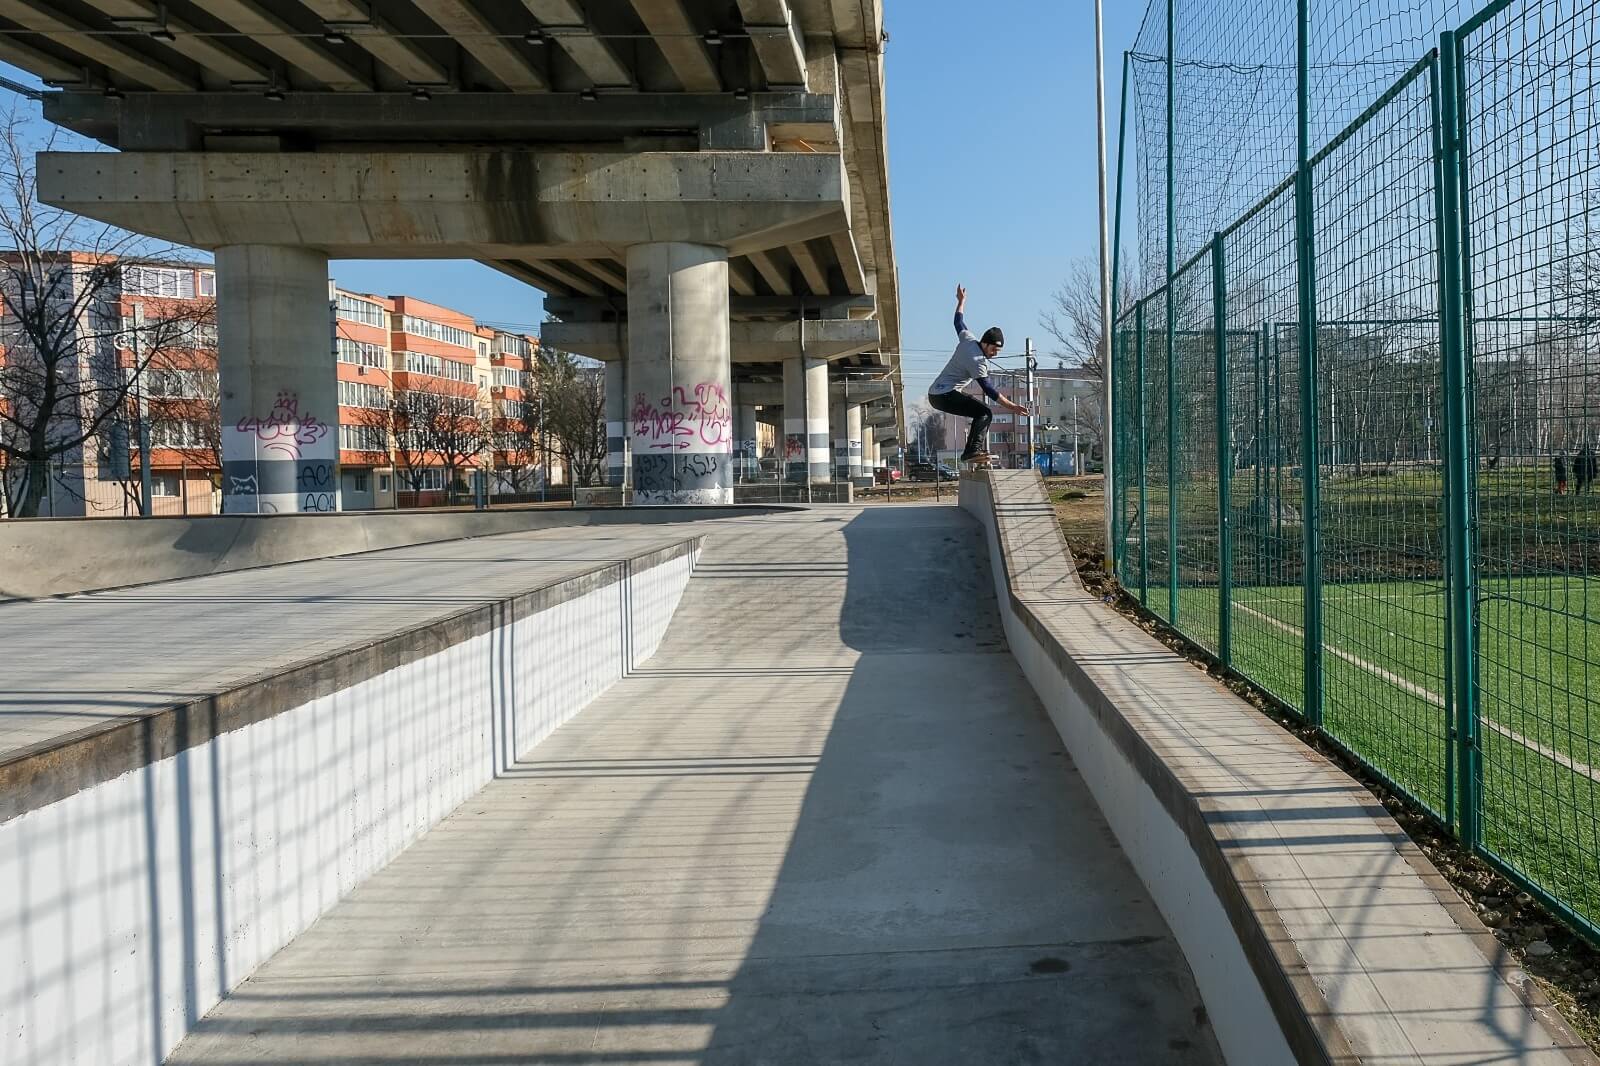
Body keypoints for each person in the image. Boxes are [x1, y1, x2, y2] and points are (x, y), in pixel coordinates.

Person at [928, 284, 1028, 462]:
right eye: (993, 349)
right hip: (944, 395)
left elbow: (958, 322)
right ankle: (971, 452)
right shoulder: (978, 361)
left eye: (998, 351)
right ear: (986, 343)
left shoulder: (969, 338)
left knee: (979, 412)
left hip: (937, 393)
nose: (994, 354)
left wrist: (961, 301)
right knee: (985, 413)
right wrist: (1013, 407)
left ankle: (972, 451)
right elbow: (989, 390)